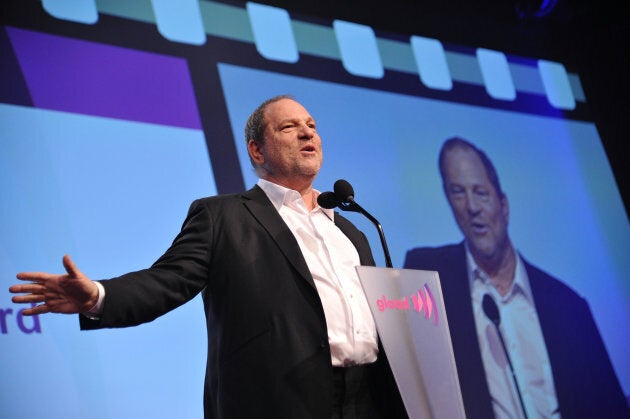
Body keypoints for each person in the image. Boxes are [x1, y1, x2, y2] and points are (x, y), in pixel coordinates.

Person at [10, 95, 405, 419]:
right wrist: (98, 296)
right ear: (257, 148)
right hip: (277, 403)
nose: (307, 133)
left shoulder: (351, 229)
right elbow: (167, 281)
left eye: (312, 126)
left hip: (368, 400)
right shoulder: (223, 216)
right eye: (289, 127)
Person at [404, 137, 628, 419]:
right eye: (458, 192)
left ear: (504, 205)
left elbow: (611, 407)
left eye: (481, 193)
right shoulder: (428, 276)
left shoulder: (568, 305)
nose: (472, 207)